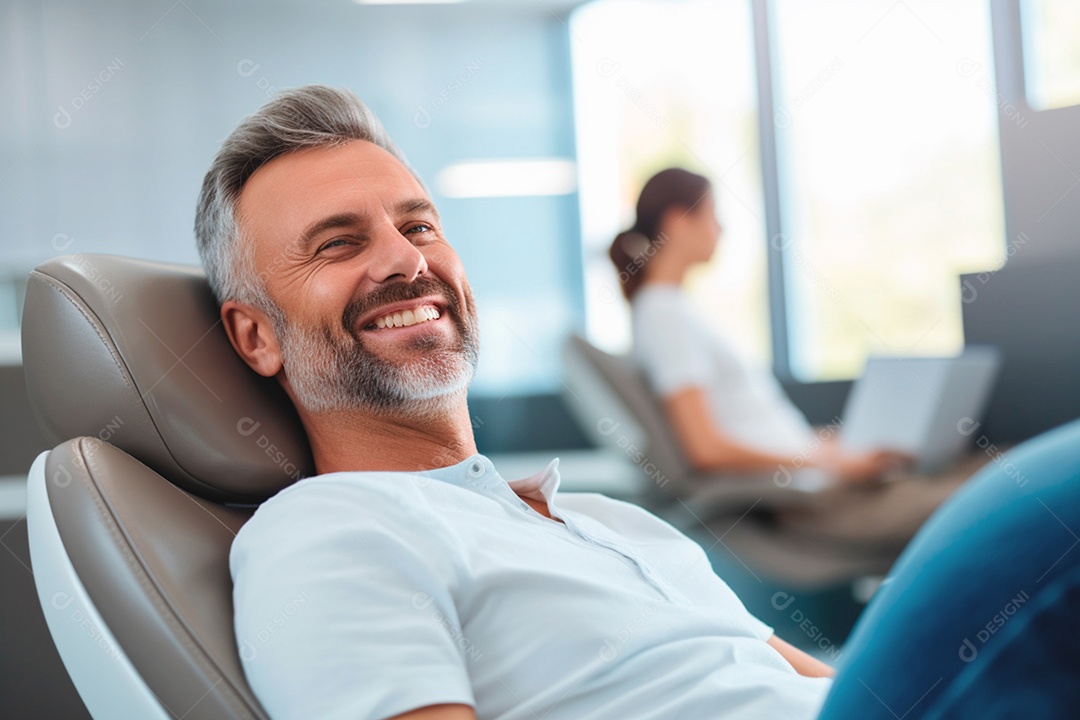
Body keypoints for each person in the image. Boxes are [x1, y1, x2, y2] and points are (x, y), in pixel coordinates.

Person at [196, 86, 1080, 720]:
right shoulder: (326, 530)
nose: (404, 259)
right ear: (255, 336)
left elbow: (842, 687)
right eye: (339, 242)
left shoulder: (612, 524)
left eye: (419, 225)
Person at [611, 168, 977, 550]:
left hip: (815, 482)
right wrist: (830, 462)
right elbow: (706, 449)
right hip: (809, 501)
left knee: (987, 471)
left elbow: (746, 424)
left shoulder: (671, 310)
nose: (721, 231)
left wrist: (827, 447)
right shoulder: (664, 313)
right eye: (712, 216)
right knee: (992, 491)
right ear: (677, 221)